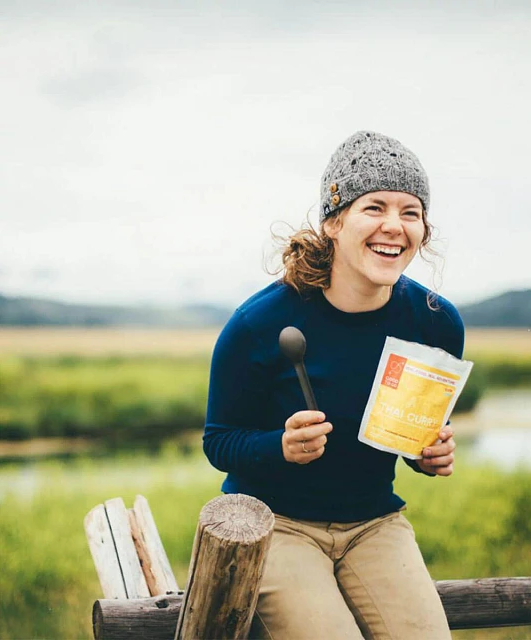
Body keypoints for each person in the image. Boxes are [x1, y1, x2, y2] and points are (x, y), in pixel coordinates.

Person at [204, 130, 463, 639]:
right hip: (278, 525)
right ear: (333, 221)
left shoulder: (435, 323)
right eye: (375, 207)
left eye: (410, 212)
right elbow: (218, 442)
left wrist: (424, 454)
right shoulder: (259, 323)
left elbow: (409, 434)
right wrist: (280, 446)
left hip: (375, 523)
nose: (394, 225)